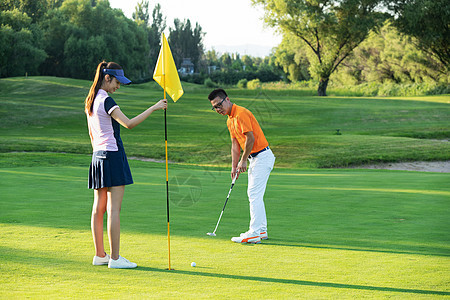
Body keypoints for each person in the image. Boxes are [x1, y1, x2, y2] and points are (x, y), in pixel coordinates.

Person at [85, 61, 167, 268]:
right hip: (112, 155)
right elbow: (128, 124)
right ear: (107, 78)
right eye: (116, 82)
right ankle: (115, 259)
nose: (118, 86)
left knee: (98, 209)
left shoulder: (91, 99)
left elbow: (91, 134)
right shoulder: (106, 100)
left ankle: (100, 255)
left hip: (97, 156)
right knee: (113, 210)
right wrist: (154, 107)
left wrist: (99, 152)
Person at [208, 88, 275, 244]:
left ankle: (254, 233)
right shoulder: (230, 120)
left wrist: (243, 160)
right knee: (255, 194)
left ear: (228, 99)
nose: (218, 109)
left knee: (253, 194)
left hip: (262, 156)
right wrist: (234, 166)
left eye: (219, 105)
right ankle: (262, 230)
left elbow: (250, 139)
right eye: (215, 107)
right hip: (255, 158)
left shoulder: (241, 113)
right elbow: (235, 144)